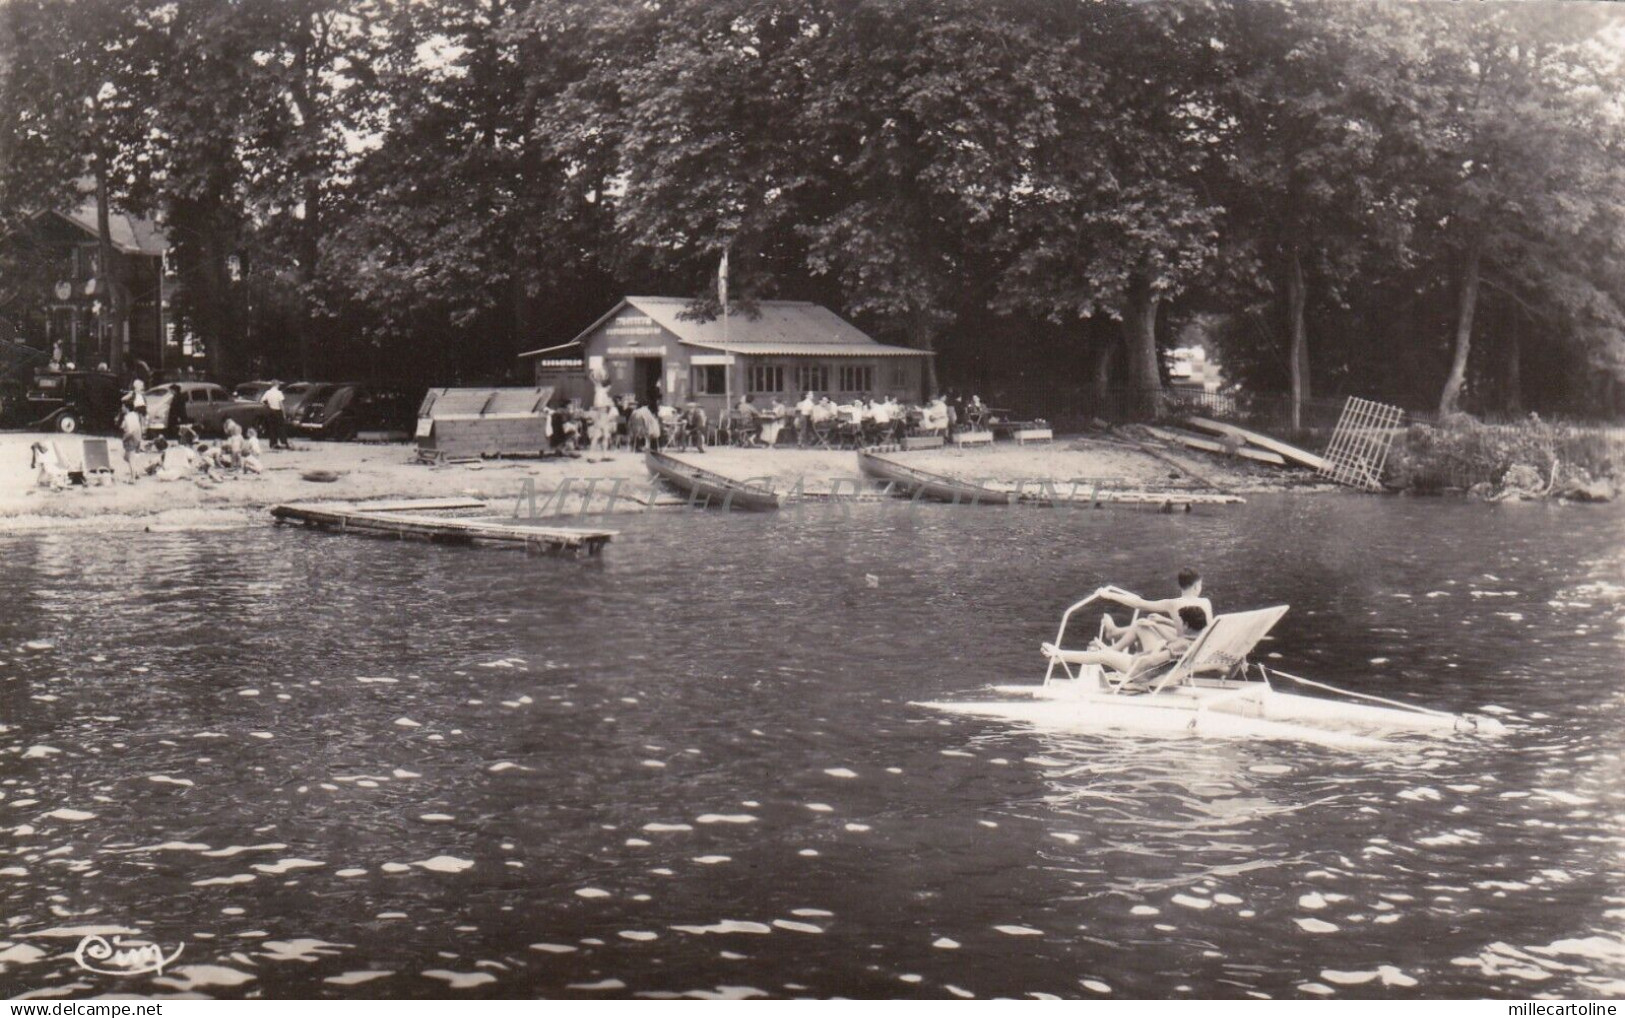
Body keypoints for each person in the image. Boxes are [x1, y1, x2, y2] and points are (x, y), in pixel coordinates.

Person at [1043, 605, 1210, 690]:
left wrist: (1158, 648)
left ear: (1186, 625)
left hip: (1142, 672)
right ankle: (1105, 651)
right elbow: (1175, 646)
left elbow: (1152, 661)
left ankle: (1060, 655)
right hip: (1165, 673)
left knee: (1104, 657)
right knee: (1110, 653)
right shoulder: (1200, 639)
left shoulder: (1182, 644)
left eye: (1180, 623)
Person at [1099, 569, 1213, 653]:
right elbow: (1198, 629)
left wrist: (1109, 595)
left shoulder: (1172, 603)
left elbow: (1139, 604)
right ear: (1196, 586)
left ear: (1181, 586)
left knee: (1142, 624)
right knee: (1155, 622)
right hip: (1199, 647)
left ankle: (1112, 649)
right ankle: (1114, 632)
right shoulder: (1206, 602)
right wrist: (1164, 620)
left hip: (1183, 647)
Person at [261, 381, 290, 450]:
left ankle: (273, 443)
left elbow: (262, 401)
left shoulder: (267, 392)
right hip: (278, 411)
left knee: (272, 428)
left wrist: (268, 405)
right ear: (277, 385)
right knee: (281, 428)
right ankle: (284, 442)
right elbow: (281, 404)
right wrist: (284, 413)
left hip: (271, 411)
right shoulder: (279, 393)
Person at [119, 404, 144, 482]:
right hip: (137, 437)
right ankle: (135, 473)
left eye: (123, 406)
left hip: (131, 438)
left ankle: (133, 478)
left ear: (127, 408)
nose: (122, 408)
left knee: (130, 459)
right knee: (126, 457)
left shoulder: (128, 417)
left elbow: (130, 431)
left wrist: (124, 438)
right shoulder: (134, 415)